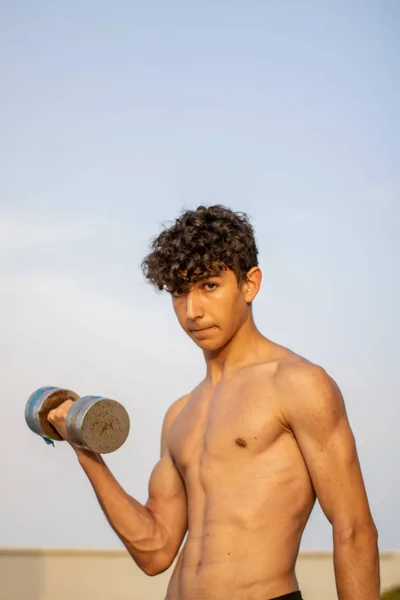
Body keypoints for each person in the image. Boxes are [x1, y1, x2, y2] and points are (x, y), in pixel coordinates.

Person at [48, 205, 380, 600]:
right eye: (179, 293)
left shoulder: (298, 383)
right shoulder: (180, 414)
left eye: (208, 286)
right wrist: (83, 446)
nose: (192, 311)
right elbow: (154, 550)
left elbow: (353, 528)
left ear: (249, 284)